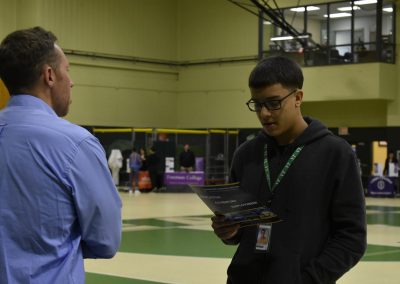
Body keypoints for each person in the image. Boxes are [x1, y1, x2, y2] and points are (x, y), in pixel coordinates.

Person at [211, 56, 366, 284]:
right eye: (257, 104)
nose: (264, 113)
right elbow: (240, 232)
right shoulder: (245, 155)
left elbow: (352, 238)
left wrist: (309, 279)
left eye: (273, 103)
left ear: (298, 98)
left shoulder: (335, 154)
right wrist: (230, 231)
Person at [0, 27, 122, 283]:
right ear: (49, 75)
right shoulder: (76, 145)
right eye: (67, 69)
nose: (72, 80)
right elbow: (106, 241)